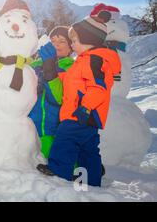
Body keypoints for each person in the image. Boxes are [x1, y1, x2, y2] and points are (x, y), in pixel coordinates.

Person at [37, 11, 121, 186]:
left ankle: (59, 170)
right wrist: (50, 72)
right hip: (87, 115)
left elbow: (99, 88)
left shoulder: (93, 60)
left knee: (64, 139)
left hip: (80, 113)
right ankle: (92, 178)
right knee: (88, 149)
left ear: (88, 40)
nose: (72, 45)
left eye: (73, 41)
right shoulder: (84, 61)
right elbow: (69, 82)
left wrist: (85, 107)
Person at [29, 26, 74, 159]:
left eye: (62, 41)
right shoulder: (36, 65)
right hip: (29, 127)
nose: (56, 45)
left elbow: (59, 98)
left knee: (54, 169)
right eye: (53, 41)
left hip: (51, 130)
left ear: (71, 47)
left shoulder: (70, 68)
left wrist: (49, 68)